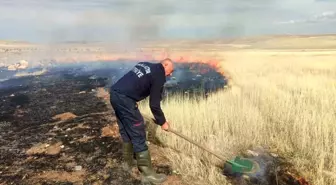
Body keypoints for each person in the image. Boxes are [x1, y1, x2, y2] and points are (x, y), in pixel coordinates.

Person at [109, 58, 174, 184]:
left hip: (115, 94)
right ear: (165, 65)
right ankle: (148, 174)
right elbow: (154, 105)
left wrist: (132, 98)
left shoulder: (145, 64)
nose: (170, 74)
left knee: (126, 129)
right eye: (170, 71)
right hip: (125, 99)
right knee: (138, 131)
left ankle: (127, 162)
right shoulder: (159, 75)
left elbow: (133, 81)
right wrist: (163, 122)